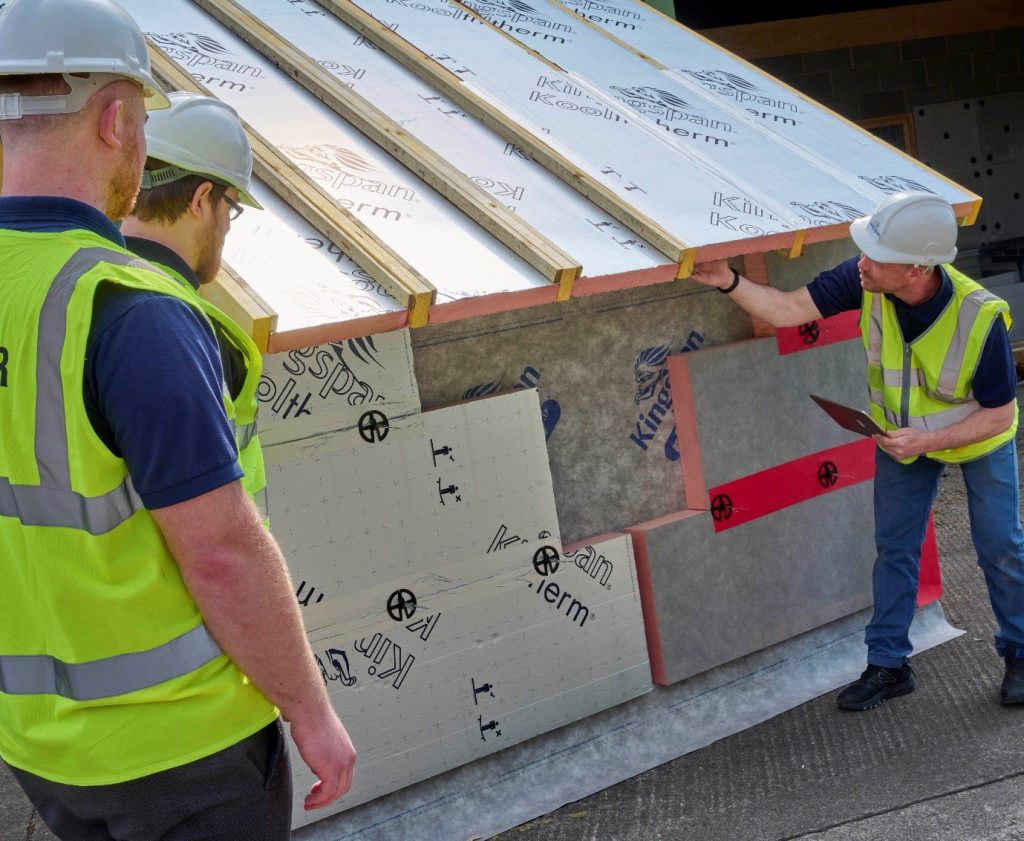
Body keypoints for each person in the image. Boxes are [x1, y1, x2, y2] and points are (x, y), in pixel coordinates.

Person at [0, 1, 355, 838]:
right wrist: (309, 709)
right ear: (119, 121)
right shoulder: (127, 311)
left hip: (40, 746)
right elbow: (224, 553)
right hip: (183, 750)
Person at [692, 191, 1024, 711]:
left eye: (875, 256)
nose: (861, 264)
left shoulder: (980, 318)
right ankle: (888, 665)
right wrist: (728, 280)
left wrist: (929, 440)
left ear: (916, 269)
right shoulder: (864, 278)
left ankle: (1020, 652)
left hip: (977, 442)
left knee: (1001, 548)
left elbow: (1000, 415)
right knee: (895, 548)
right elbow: (786, 310)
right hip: (900, 441)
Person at [121, 91, 266, 516]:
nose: (226, 227)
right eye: (231, 208)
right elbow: (217, 541)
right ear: (202, 199)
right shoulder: (192, 334)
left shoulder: (63, 292)